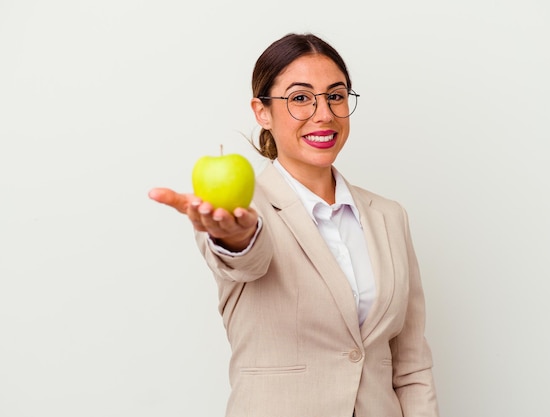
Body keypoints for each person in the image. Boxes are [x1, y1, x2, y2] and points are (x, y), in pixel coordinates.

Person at [149, 32, 439, 417]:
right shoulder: (237, 210)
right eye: (300, 98)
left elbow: (411, 365)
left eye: (335, 96)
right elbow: (244, 256)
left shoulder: (389, 216)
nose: (324, 114)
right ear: (262, 111)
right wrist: (236, 238)